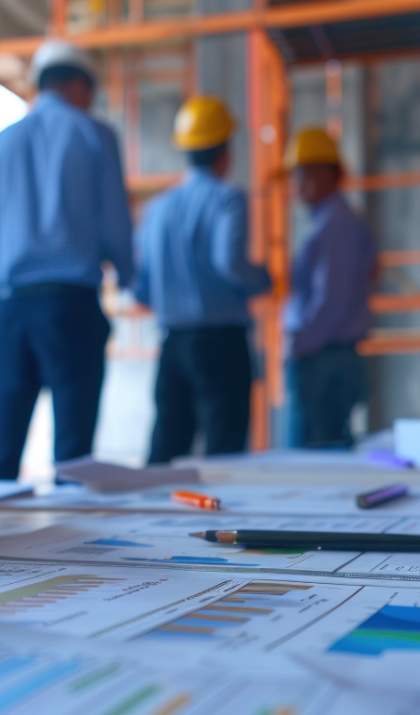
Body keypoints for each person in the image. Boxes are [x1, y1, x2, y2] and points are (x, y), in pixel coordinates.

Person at [0, 41, 134, 480]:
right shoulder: (94, 135)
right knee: (73, 461)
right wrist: (133, 278)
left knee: (1, 452)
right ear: (80, 83)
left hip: (11, 308)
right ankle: (67, 549)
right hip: (71, 307)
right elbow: (116, 224)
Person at [135, 96, 271, 463]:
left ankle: (152, 520)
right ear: (225, 150)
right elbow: (230, 263)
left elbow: (142, 288)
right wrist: (264, 279)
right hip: (221, 344)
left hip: (173, 344)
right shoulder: (228, 199)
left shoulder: (156, 209)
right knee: (224, 453)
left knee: (166, 450)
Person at [283, 127, 377, 448]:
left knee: (313, 459)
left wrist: (301, 344)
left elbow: (332, 300)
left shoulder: (337, 224)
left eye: (306, 172)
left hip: (324, 358)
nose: (298, 182)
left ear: (330, 173)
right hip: (326, 355)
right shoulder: (330, 221)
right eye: (296, 174)